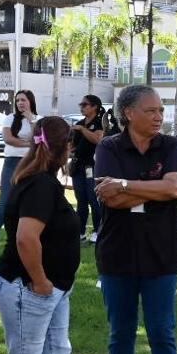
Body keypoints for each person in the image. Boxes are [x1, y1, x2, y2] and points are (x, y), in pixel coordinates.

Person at [92, 85, 177, 354]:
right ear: (129, 113)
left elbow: (176, 187)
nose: (159, 116)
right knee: (121, 333)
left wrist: (125, 185)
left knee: (162, 333)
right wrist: (152, 190)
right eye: (151, 111)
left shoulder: (172, 145)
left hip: (161, 255)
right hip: (117, 254)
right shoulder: (108, 147)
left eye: (161, 110)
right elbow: (110, 199)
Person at [0, 116, 86, 354]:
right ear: (64, 147)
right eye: (71, 143)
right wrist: (42, 281)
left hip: (53, 290)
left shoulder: (44, 182)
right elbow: (25, 238)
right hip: (27, 288)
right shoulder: (41, 186)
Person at [0, 89, 37, 248]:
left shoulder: (38, 119)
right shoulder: (9, 119)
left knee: (29, 201)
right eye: (18, 100)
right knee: (5, 199)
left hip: (31, 163)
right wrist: (30, 144)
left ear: (31, 102)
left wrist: (31, 120)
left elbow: (40, 139)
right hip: (11, 162)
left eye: (24, 100)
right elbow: (8, 139)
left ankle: (25, 235)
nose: (20, 103)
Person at [69, 94, 113, 244]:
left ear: (95, 106)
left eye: (85, 105)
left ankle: (97, 231)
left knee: (94, 199)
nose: (82, 107)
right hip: (78, 166)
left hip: (92, 167)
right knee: (80, 200)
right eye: (80, 105)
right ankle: (80, 232)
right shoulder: (80, 123)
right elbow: (73, 145)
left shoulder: (100, 123)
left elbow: (97, 139)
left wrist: (82, 129)